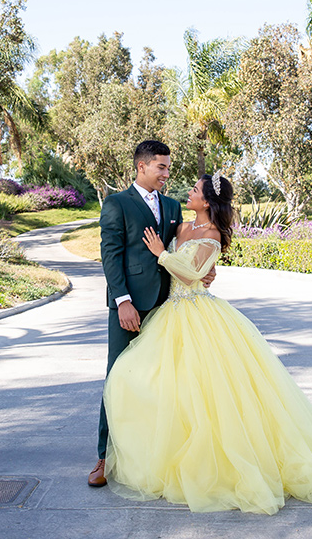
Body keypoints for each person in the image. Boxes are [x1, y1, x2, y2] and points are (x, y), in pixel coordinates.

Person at [101, 173, 312, 514]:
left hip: (198, 313)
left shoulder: (213, 234)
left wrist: (164, 255)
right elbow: (184, 266)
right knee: (155, 382)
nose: (187, 192)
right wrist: (172, 260)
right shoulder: (180, 226)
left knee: (211, 392)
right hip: (170, 312)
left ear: (207, 202)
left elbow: (191, 274)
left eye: (195, 190)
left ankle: (220, 459)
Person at [89, 140, 216, 487]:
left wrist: (205, 270)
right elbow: (110, 255)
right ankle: (104, 456)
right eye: (161, 167)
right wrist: (122, 301)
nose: (166, 174)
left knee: (165, 384)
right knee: (117, 376)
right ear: (141, 166)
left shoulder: (173, 206)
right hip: (130, 307)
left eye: (168, 168)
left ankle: (152, 455)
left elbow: (187, 249)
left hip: (169, 308)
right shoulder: (117, 204)